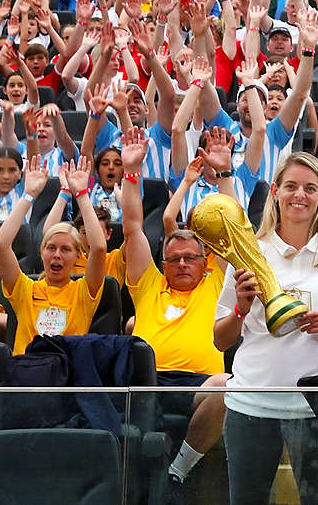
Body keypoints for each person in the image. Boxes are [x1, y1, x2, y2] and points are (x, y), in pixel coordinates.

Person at [213, 152, 318, 505]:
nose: (299, 195)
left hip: (314, 405)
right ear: (275, 191)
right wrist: (241, 310)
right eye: (290, 186)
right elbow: (220, 340)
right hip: (251, 402)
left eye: (309, 188)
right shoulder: (248, 251)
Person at [119, 127, 233, 494]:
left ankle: (178, 470)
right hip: (145, 380)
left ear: (206, 261)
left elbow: (233, 234)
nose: (182, 263)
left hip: (200, 383)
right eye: (174, 259)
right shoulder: (150, 283)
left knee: (230, 387)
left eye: (190, 258)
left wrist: (225, 175)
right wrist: (132, 173)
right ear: (163, 262)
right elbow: (134, 229)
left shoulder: (216, 284)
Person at [0, 155, 107, 354]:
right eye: (51, 248)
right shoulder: (25, 290)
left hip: (67, 376)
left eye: (66, 250)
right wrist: (28, 195)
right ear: (42, 252)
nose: (57, 255)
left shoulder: (83, 291)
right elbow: (1, 244)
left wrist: (81, 195)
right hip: (28, 375)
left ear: (78, 256)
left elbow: (98, 248)